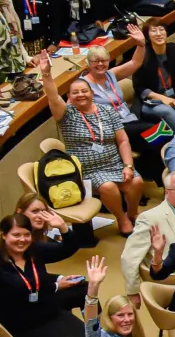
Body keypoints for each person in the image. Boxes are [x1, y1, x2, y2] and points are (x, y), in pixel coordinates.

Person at [37, 49, 142, 232]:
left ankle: (133, 212)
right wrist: (46, 73)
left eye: (84, 91)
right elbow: (53, 97)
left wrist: (128, 165)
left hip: (114, 163)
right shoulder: (67, 114)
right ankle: (121, 218)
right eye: (75, 93)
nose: (80, 95)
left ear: (91, 92)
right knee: (108, 187)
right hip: (88, 169)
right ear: (69, 97)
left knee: (136, 182)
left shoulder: (107, 111)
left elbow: (123, 140)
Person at [0, 214, 86, 337]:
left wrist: (63, 227)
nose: (22, 240)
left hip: (49, 313)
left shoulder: (34, 250)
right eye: (16, 235)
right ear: (3, 235)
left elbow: (68, 249)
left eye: (26, 234)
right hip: (22, 325)